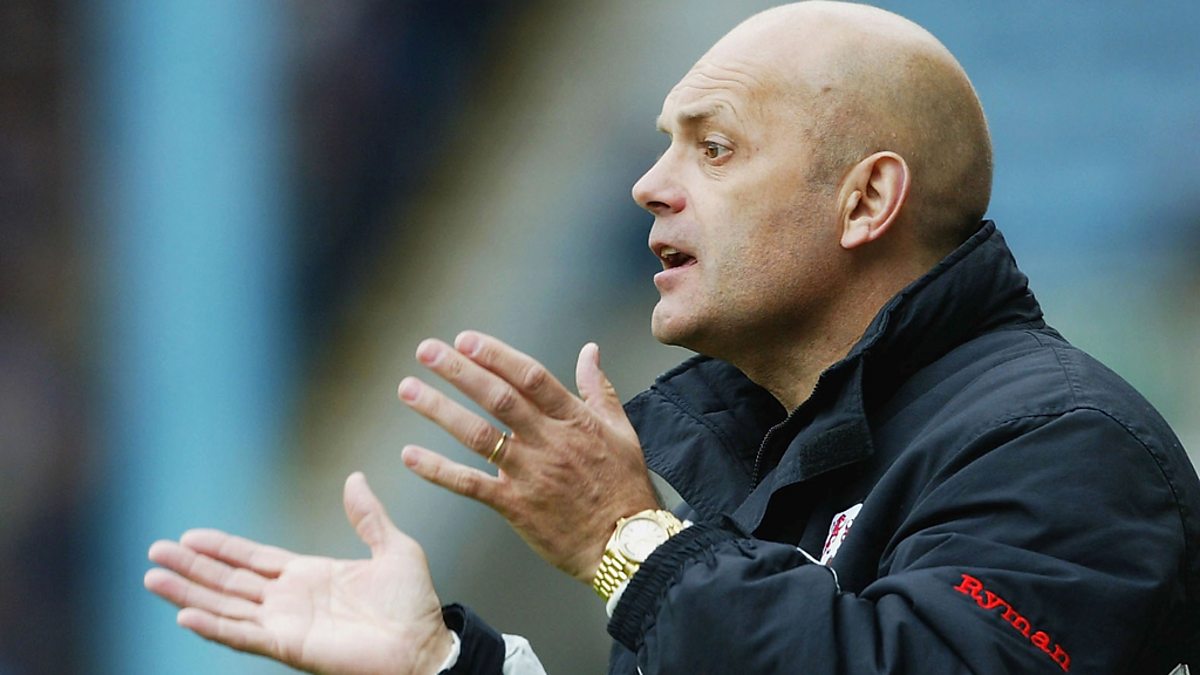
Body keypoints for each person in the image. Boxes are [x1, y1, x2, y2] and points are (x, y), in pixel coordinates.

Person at [145, 2, 1200, 673]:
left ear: (866, 200)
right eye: (664, 147)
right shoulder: (767, 465)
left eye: (715, 147)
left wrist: (627, 542)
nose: (650, 186)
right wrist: (442, 665)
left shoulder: (1065, 446)